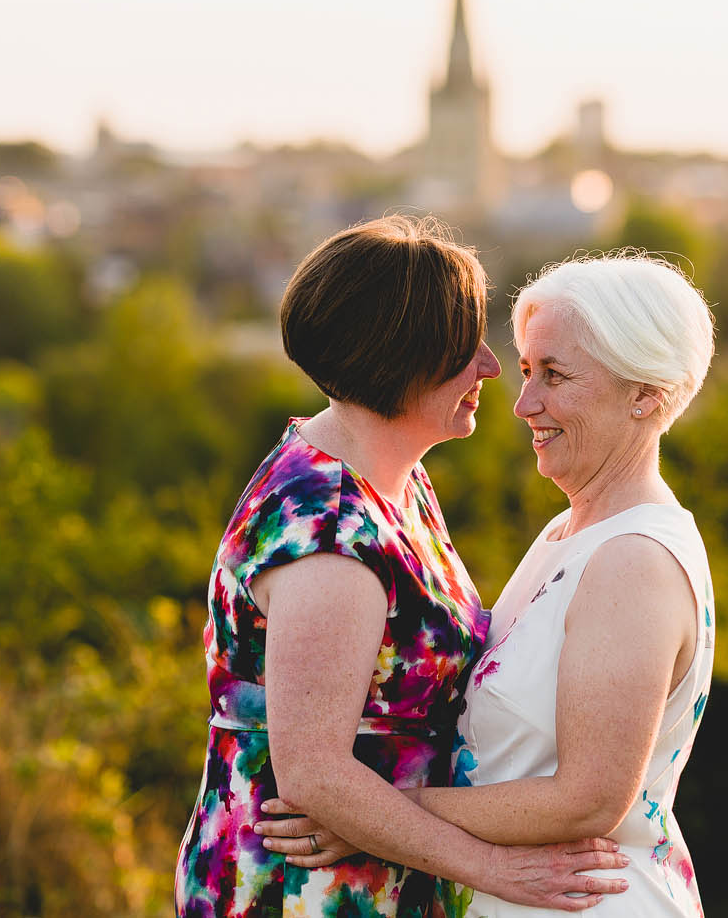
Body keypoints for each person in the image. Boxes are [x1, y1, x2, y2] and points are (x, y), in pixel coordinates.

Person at [174, 217, 629, 918]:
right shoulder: (329, 535)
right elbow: (315, 775)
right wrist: (498, 869)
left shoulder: (394, 481)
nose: (489, 365)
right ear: (400, 358)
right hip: (304, 893)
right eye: (461, 347)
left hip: (382, 871)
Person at [258, 252, 717, 918]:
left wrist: (378, 814)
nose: (524, 402)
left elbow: (590, 797)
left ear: (645, 393)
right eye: (528, 370)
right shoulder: (572, 529)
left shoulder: (634, 561)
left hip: (587, 901)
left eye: (555, 376)